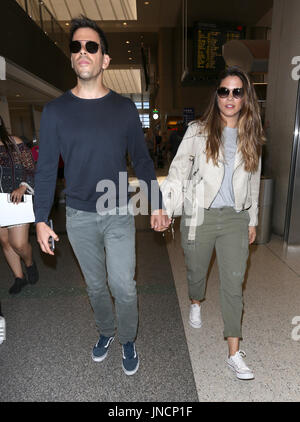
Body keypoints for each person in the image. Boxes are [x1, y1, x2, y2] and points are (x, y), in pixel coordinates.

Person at [34, 16, 169, 376]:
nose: (83, 52)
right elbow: (46, 170)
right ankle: (106, 331)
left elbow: (141, 160)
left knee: (122, 284)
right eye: (76, 46)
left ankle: (127, 338)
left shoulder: (124, 109)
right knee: (95, 286)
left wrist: (156, 203)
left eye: (91, 46)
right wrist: (40, 220)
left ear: (104, 59)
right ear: (72, 57)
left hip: (118, 209)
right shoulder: (55, 112)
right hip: (78, 216)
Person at [165, 66, 265, 380]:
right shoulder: (197, 130)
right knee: (196, 270)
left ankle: (234, 353)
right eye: (224, 91)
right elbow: (178, 171)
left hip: (235, 218)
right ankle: (196, 299)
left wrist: (253, 218)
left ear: (245, 96)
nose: (230, 97)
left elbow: (254, 181)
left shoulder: (252, 135)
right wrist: (166, 207)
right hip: (199, 215)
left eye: (237, 91)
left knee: (234, 284)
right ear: (217, 95)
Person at [0, 115, 39, 294]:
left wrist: (23, 187)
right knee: (5, 241)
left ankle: (29, 263)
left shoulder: (14, 142)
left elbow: (31, 168)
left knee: (19, 244)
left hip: (16, 200)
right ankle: (19, 277)